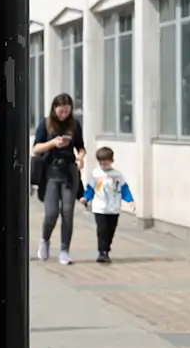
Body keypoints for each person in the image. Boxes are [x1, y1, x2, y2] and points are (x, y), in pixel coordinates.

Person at [32, 93, 86, 265]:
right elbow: (36, 149)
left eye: (67, 112)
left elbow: (81, 147)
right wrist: (53, 143)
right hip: (50, 172)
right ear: (54, 108)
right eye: (61, 111)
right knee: (51, 212)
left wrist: (81, 158)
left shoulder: (74, 125)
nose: (64, 115)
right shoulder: (46, 123)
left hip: (69, 171)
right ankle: (45, 240)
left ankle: (64, 250)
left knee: (68, 212)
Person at [83, 146, 135, 263]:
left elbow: (124, 189)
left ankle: (107, 248)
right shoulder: (96, 174)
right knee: (102, 229)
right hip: (99, 207)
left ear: (112, 161)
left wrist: (130, 200)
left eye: (106, 163)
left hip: (114, 208)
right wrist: (86, 198)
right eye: (101, 164)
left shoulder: (117, 175)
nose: (103, 166)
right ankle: (102, 252)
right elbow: (91, 188)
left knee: (111, 229)